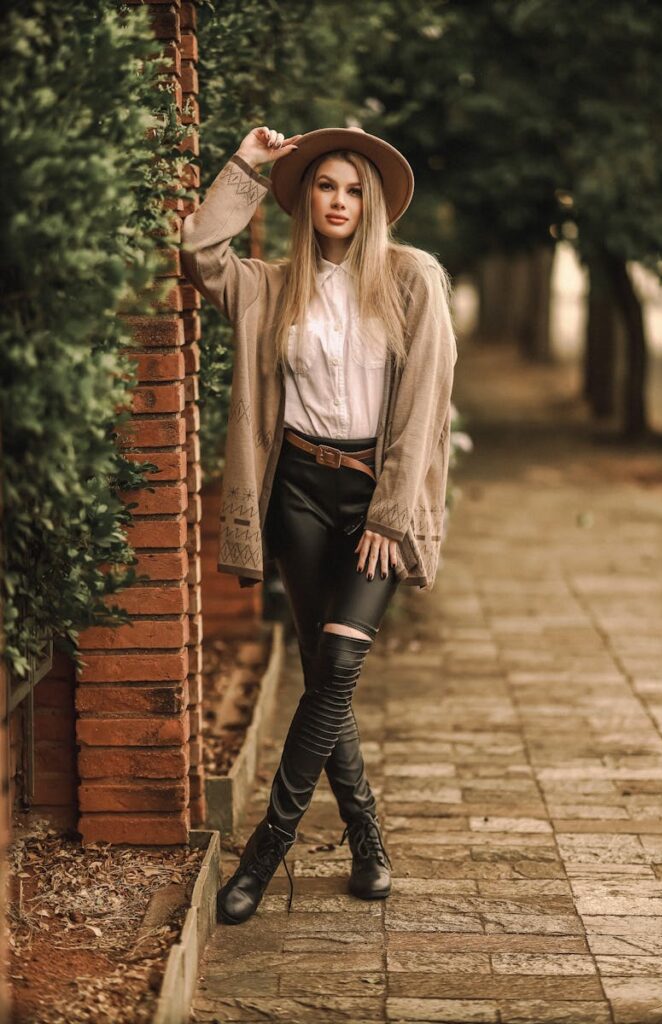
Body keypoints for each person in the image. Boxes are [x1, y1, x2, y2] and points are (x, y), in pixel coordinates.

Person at [180, 125, 457, 925]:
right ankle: (367, 838)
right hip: (296, 491)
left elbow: (422, 410)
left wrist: (391, 513)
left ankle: (263, 852)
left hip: (376, 496)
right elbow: (199, 254)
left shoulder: (413, 280)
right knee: (323, 676)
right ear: (305, 199)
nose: (339, 200)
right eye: (326, 186)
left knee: (337, 664)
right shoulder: (270, 285)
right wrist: (245, 167)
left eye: (354, 189)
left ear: (372, 204)